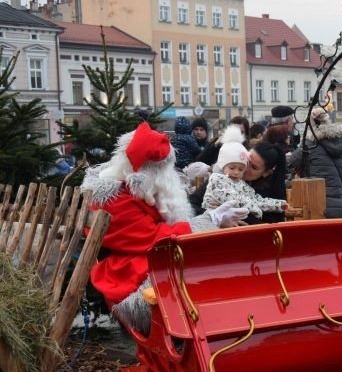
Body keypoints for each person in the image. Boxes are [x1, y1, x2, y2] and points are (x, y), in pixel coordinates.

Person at [82, 123, 248, 334]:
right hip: (131, 274)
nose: (169, 176)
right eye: (163, 170)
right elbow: (152, 238)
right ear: (147, 171)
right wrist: (210, 219)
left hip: (153, 256)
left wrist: (213, 218)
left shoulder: (142, 188)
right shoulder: (113, 199)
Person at [190, 140, 288, 224]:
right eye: (247, 161)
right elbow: (191, 205)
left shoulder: (269, 191)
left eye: (254, 167)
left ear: (266, 173)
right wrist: (214, 216)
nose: (245, 168)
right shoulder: (220, 178)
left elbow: (267, 222)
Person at [288, 107, 342, 218]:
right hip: (339, 205)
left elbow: (289, 163)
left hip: (317, 206)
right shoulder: (340, 142)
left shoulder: (310, 144)